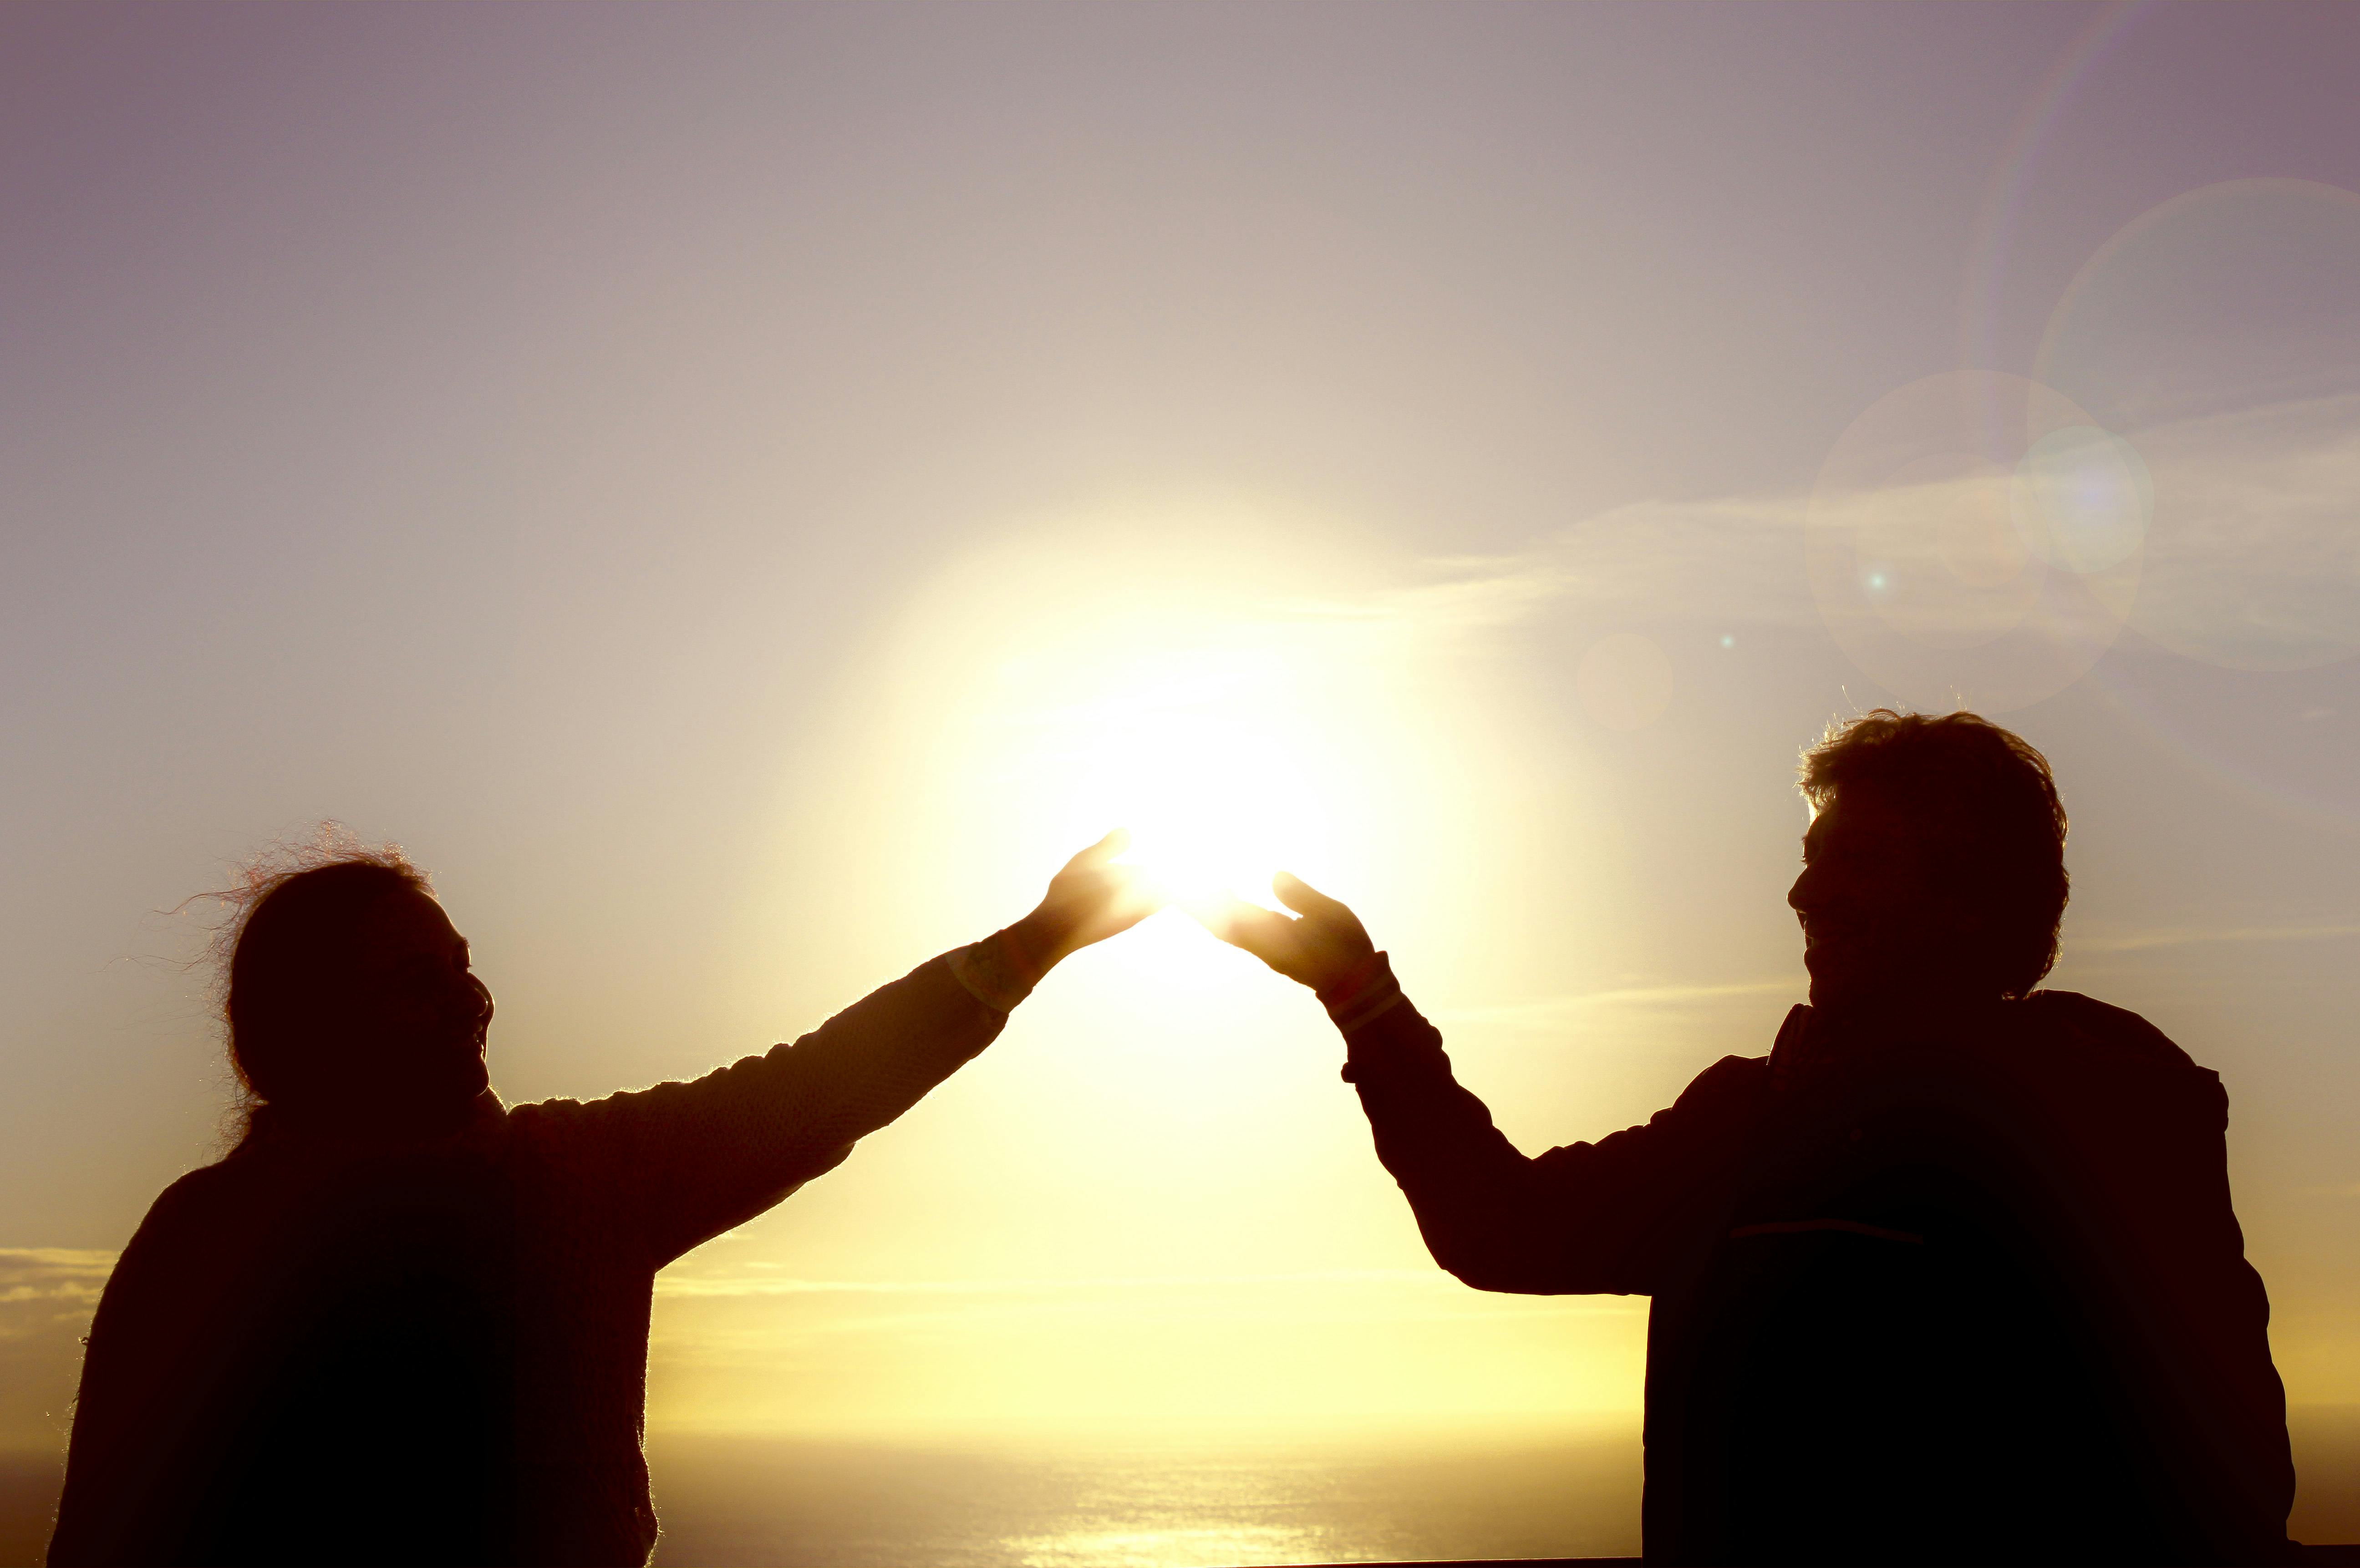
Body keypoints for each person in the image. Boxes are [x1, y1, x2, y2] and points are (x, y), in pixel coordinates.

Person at [1204, 710, 2294, 1566]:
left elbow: (2226, 1479)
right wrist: (1365, 1004)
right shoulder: (1751, 1119)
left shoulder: (2102, 1113)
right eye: (1817, 856)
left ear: (1973, 898)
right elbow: (1505, 1229)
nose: (1804, 890)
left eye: (1858, 858)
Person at [48, 832, 1158, 1568]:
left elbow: (817, 1088)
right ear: (310, 1031)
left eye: (466, 967)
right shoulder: (205, 1238)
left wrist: (1037, 940)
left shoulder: (578, 1176)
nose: (474, 1001)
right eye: (417, 984)